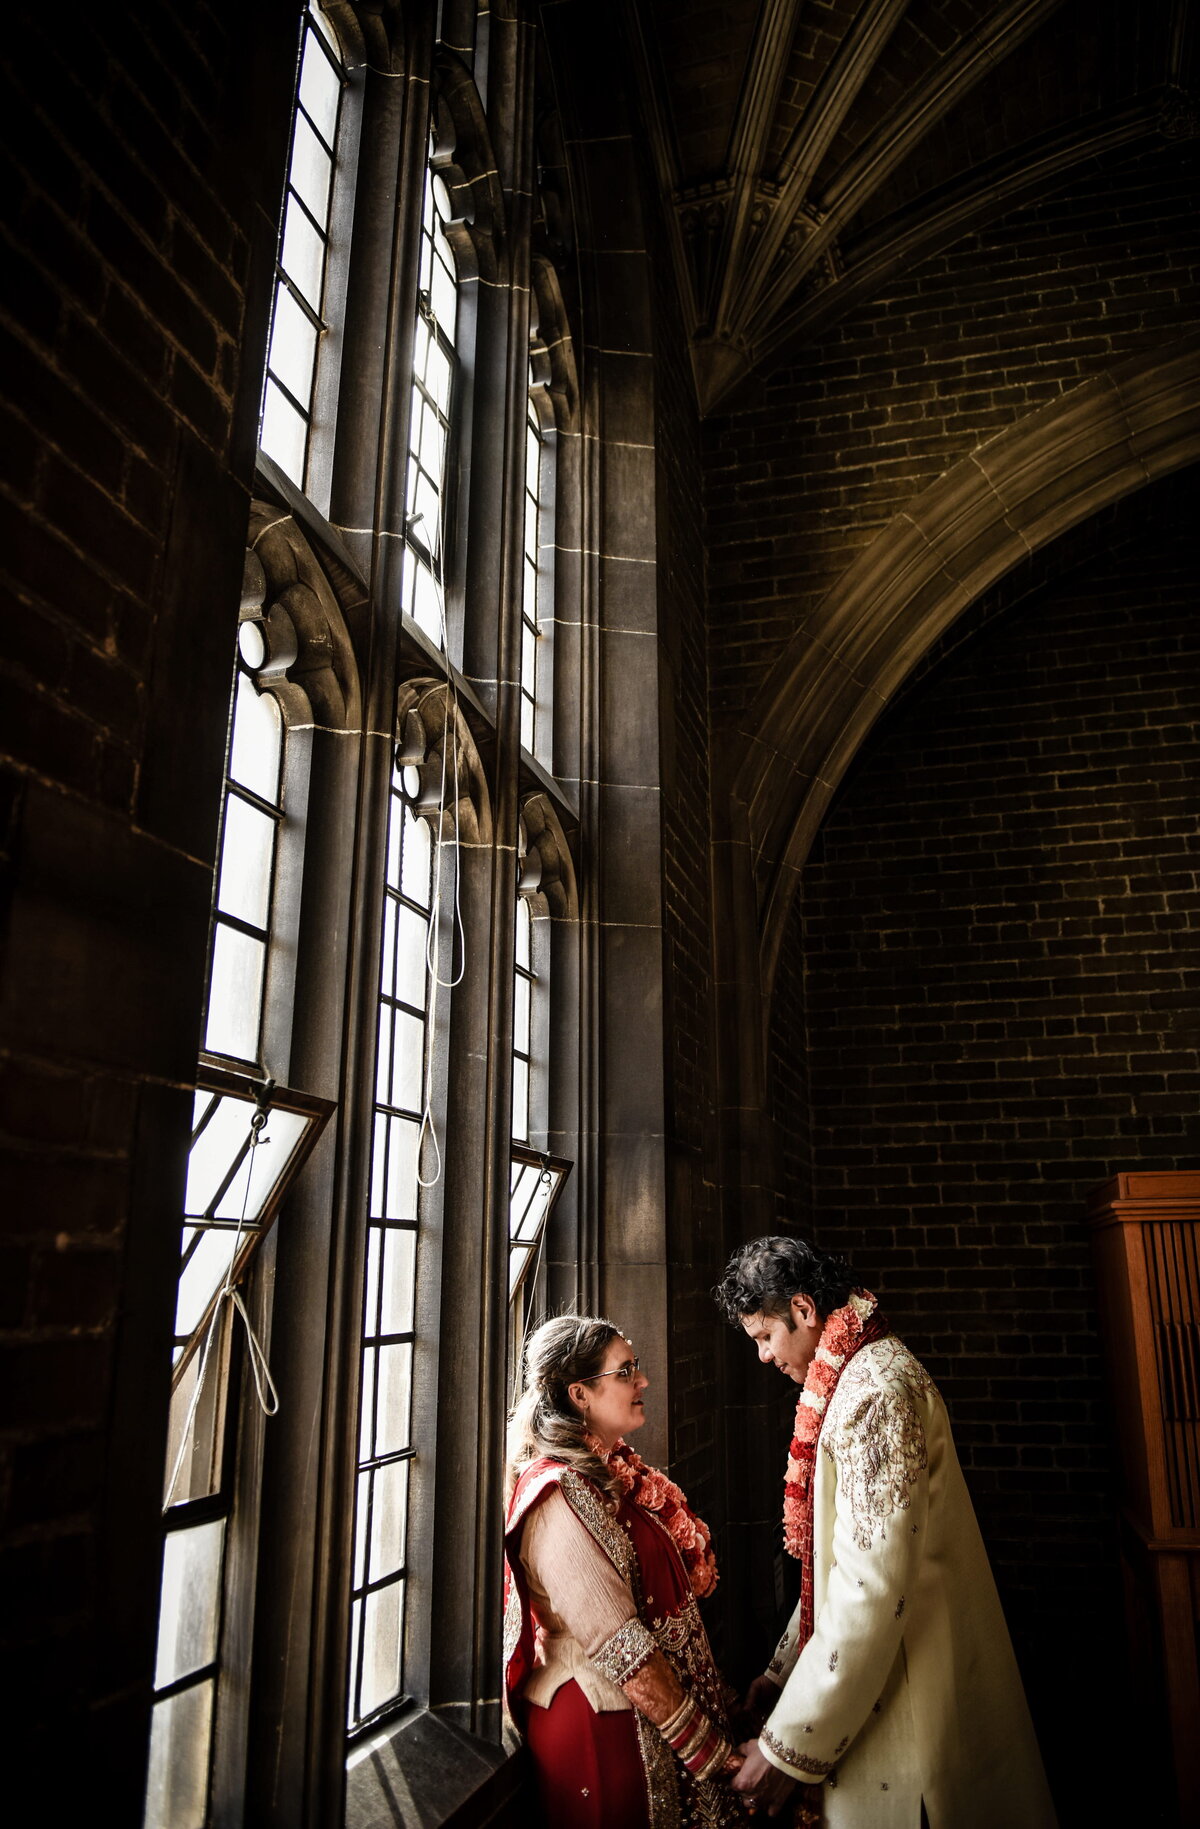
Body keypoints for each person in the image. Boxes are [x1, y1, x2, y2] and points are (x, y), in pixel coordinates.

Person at [714, 1236, 1058, 1828]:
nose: (764, 1358)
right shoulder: (855, 1377)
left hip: (909, 1694)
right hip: (880, 1672)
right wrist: (783, 1670)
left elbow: (869, 1590)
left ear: (803, 1310)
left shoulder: (874, 1393)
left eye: (765, 1337)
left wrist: (785, 1747)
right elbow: (833, 1562)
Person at [504, 1314, 745, 1828]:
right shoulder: (557, 1495)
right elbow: (619, 1643)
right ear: (580, 1395)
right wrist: (709, 1752)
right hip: (601, 1725)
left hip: (644, 1717)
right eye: (625, 1371)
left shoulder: (611, 1471)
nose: (643, 1381)